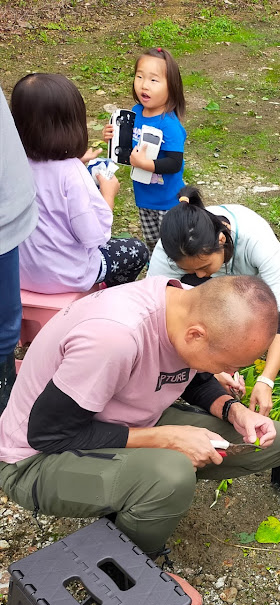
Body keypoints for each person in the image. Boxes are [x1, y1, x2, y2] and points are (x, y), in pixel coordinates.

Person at [0, 274, 280, 558]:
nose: (228, 372)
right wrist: (166, 439)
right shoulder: (114, 339)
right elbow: (48, 434)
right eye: (226, 364)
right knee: (171, 477)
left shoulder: (188, 305)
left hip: (121, 420)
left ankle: (137, 491)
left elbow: (194, 374)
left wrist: (233, 409)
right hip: (34, 460)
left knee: (275, 441)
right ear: (196, 335)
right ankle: (129, 562)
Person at [147, 186, 280, 413]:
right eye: (189, 269)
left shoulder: (254, 236)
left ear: (221, 239)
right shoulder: (170, 250)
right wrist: (208, 368)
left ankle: (265, 313)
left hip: (256, 285)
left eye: (204, 266)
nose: (199, 274)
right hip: (208, 293)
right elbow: (157, 310)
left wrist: (266, 380)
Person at [11, 74, 149, 293]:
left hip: (20, 273)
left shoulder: (13, 165)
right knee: (136, 250)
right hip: (66, 275)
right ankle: (105, 298)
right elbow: (95, 236)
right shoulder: (72, 174)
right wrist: (108, 194)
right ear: (73, 124)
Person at [103, 47, 186, 251]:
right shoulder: (136, 112)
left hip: (169, 201)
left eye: (153, 80)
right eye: (139, 76)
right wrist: (112, 137)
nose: (144, 85)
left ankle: (174, 277)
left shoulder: (169, 124)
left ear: (171, 86)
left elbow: (174, 163)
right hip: (144, 197)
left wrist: (145, 164)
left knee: (172, 246)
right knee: (152, 243)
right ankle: (155, 272)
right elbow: (130, 146)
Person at [0, 84, 38, 413]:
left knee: (7, 326)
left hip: (8, 222)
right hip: (71, 274)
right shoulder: (73, 177)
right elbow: (95, 233)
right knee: (5, 328)